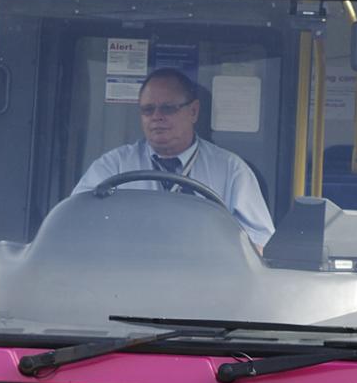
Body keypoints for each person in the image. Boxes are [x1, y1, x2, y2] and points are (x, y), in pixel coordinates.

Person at [72, 68, 273, 249]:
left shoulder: (231, 171)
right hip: (127, 277)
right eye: (148, 110)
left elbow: (259, 245)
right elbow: (74, 225)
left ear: (193, 111)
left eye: (167, 108)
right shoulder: (113, 166)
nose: (156, 117)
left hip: (205, 281)